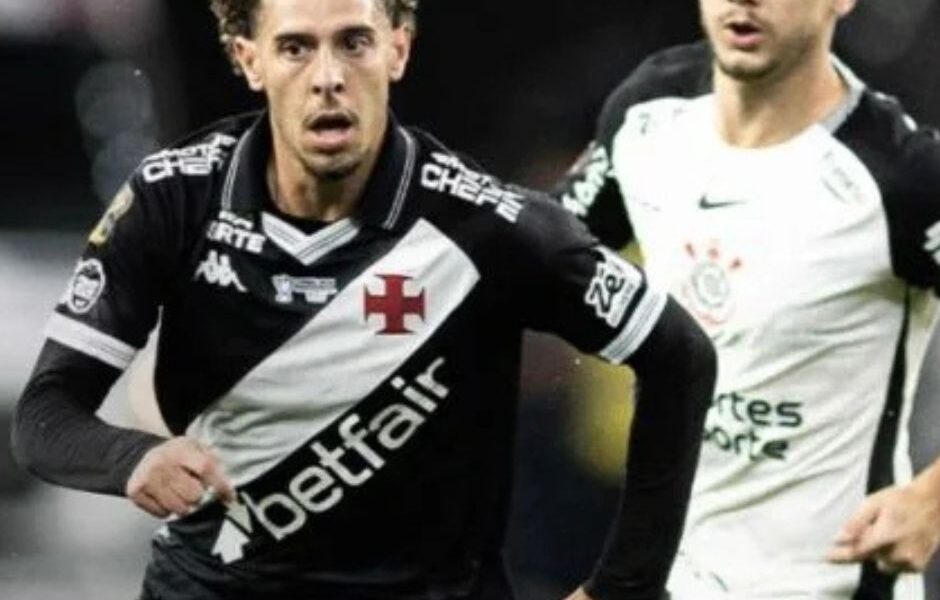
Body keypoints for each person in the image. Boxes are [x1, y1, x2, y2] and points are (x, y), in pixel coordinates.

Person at [10, 1, 717, 599]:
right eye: (295, 48)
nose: (328, 77)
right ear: (247, 58)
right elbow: (47, 414)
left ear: (397, 49)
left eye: (354, 43)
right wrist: (130, 457)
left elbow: (679, 355)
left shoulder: (487, 227)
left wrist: (625, 585)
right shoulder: (175, 199)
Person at [553, 0, 940, 597]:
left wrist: (931, 499)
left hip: (832, 583)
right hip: (677, 578)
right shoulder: (649, 111)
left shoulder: (899, 177)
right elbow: (543, 256)